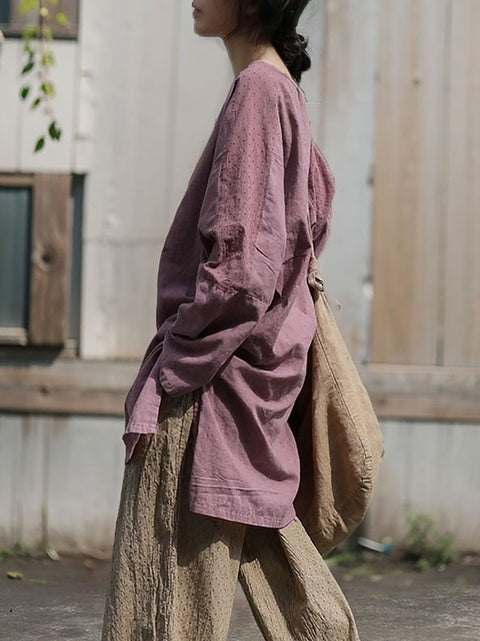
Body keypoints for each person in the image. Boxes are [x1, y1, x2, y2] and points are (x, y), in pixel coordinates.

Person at [101, 1, 361, 639]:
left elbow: (245, 270)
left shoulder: (257, 91)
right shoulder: (282, 92)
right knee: (280, 569)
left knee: (160, 608)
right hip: (250, 384)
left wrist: (174, 363)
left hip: (210, 388)